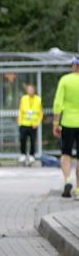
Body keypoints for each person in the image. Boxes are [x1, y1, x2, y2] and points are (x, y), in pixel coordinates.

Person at [53, 57, 79, 199]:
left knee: (66, 154)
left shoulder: (65, 80)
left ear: (74, 66)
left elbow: (58, 103)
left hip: (68, 122)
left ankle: (67, 180)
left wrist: (56, 123)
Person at [18, 83, 42, 165]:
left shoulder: (38, 99)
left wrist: (37, 123)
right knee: (22, 139)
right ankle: (23, 154)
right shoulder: (23, 98)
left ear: (34, 90)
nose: (30, 91)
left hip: (33, 124)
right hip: (24, 123)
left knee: (33, 140)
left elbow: (40, 113)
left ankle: (32, 155)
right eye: (28, 89)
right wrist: (20, 122)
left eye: (31, 89)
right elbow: (21, 111)